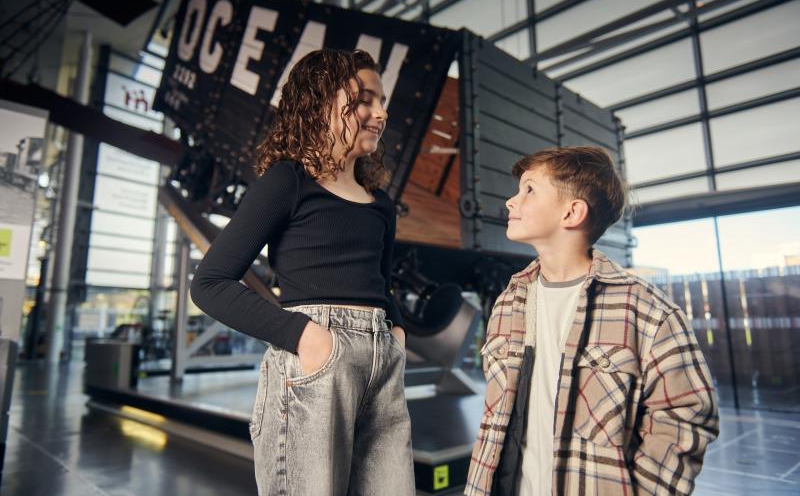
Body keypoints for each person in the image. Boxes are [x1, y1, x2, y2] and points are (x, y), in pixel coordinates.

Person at [190, 49, 414, 495]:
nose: (381, 112)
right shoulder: (287, 182)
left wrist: (398, 332)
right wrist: (304, 336)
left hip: (381, 360)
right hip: (316, 355)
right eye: (365, 99)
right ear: (320, 101)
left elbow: (380, 283)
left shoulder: (382, 205)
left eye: (382, 100)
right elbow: (209, 283)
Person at [465, 146, 719, 495]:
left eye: (529, 190)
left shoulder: (646, 310)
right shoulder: (509, 302)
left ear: (572, 212)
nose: (511, 201)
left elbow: (686, 415)